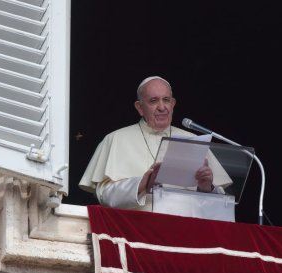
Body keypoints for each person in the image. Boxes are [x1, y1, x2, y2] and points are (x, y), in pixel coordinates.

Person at [79, 76, 230, 211]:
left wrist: (206, 188)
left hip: (187, 231)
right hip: (136, 232)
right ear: (139, 107)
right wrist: (141, 185)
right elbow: (104, 195)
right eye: (153, 101)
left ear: (173, 104)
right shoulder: (116, 139)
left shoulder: (194, 140)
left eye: (166, 100)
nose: (162, 107)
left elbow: (221, 206)